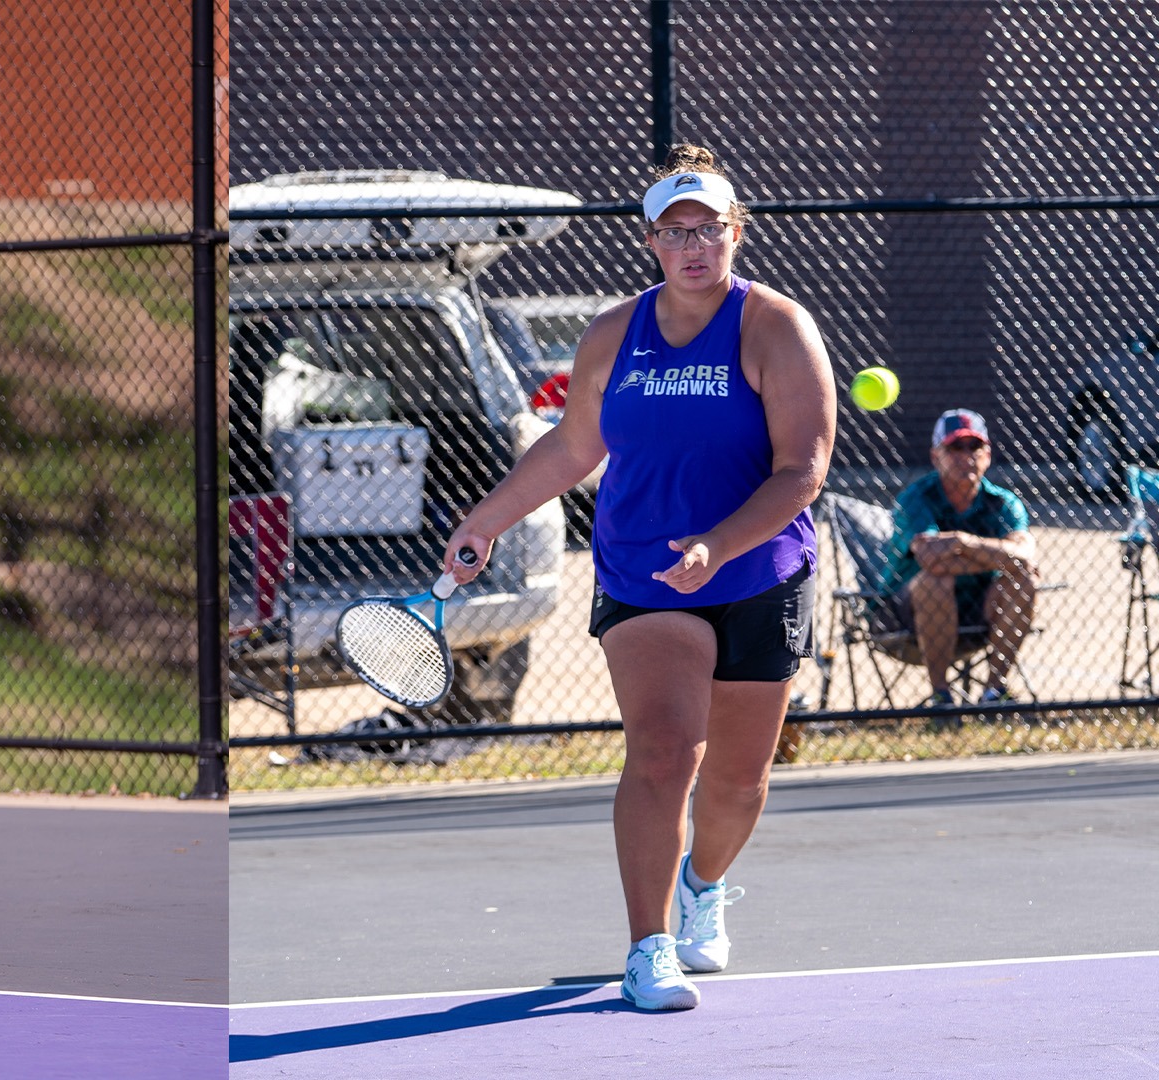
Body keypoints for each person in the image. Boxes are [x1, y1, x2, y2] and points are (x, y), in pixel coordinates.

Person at [442, 146, 835, 1011]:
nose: (694, 247)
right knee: (663, 753)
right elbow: (576, 447)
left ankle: (701, 885)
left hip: (758, 571)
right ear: (650, 241)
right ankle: (647, 946)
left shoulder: (776, 328)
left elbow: (801, 469)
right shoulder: (614, 334)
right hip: (645, 573)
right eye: (675, 232)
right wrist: (485, 521)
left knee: (737, 782)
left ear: (737, 232)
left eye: (709, 229)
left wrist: (720, 546)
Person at [881, 408, 1037, 709]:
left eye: (974, 446)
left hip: (978, 610)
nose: (966, 455)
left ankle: (994, 693)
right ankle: (942, 697)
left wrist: (961, 542)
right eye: (954, 447)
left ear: (988, 454)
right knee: (937, 581)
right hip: (904, 616)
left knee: (1023, 580)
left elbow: (1024, 556)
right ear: (935, 456)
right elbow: (931, 560)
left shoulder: (1003, 502)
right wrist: (996, 556)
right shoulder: (917, 498)